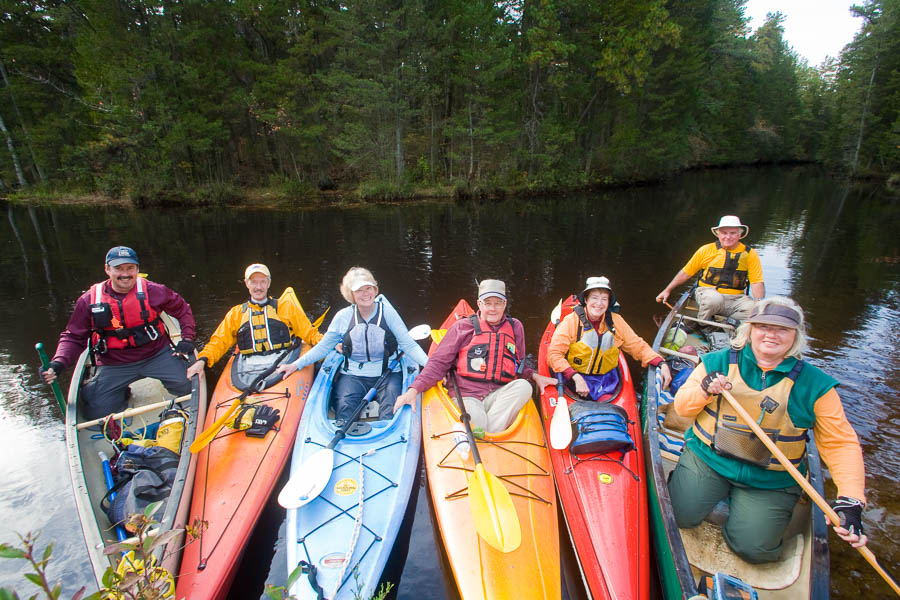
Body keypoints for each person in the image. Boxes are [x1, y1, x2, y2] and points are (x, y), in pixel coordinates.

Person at [667, 297, 868, 564]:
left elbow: (840, 444)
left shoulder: (815, 385)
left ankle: (744, 515)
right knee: (676, 515)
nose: (771, 334)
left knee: (753, 550)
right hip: (709, 460)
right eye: (763, 326)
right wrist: (704, 389)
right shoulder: (717, 361)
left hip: (769, 480)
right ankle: (712, 496)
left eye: (783, 329)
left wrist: (851, 500)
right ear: (749, 330)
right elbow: (681, 408)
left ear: (796, 335)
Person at [40, 246, 196, 420]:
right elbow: (74, 336)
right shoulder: (88, 300)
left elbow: (182, 309)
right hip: (115, 362)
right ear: (107, 269)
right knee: (96, 413)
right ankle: (121, 393)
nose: (125, 274)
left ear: (137, 269)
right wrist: (58, 363)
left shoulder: (154, 290)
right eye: (118, 269)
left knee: (189, 385)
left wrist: (187, 338)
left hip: (156, 354)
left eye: (130, 268)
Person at [393, 279, 556, 433]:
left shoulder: (515, 327)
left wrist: (534, 376)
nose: (493, 309)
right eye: (488, 303)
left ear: (505, 304)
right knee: (479, 421)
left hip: (498, 394)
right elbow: (438, 363)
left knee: (524, 386)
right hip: (467, 395)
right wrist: (414, 390)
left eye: (498, 303)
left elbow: (518, 365)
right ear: (479, 304)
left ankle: (484, 434)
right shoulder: (462, 327)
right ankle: (491, 434)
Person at [276, 267, 429, 422]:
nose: (365, 294)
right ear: (351, 295)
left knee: (391, 410)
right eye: (359, 290)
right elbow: (323, 347)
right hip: (353, 375)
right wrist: (296, 365)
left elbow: (409, 346)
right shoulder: (343, 317)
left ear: (375, 290)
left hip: (388, 374)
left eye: (368, 288)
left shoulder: (388, 313)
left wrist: (431, 367)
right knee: (344, 409)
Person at [185, 263, 324, 380]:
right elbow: (218, 342)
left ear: (269, 283)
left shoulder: (286, 307)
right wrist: (202, 360)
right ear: (246, 284)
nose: (258, 287)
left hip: (283, 361)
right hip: (248, 367)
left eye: (263, 281)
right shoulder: (236, 314)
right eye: (253, 282)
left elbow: (310, 334)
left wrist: (331, 343)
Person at [548, 276, 672, 397]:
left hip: (605, 380)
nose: (599, 304)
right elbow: (554, 354)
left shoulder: (616, 321)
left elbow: (637, 345)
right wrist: (575, 376)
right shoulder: (571, 321)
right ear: (586, 300)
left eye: (604, 299)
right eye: (594, 298)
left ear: (609, 302)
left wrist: (661, 363)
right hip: (573, 376)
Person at [655, 215, 765, 323]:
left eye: (733, 233)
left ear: (739, 234)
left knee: (753, 310)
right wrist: (667, 290)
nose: (728, 237)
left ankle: (728, 325)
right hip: (708, 293)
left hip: (736, 298)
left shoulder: (750, 254)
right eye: (724, 233)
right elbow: (686, 273)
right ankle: (702, 324)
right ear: (718, 234)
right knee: (714, 300)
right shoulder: (706, 250)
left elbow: (757, 282)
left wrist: (759, 305)